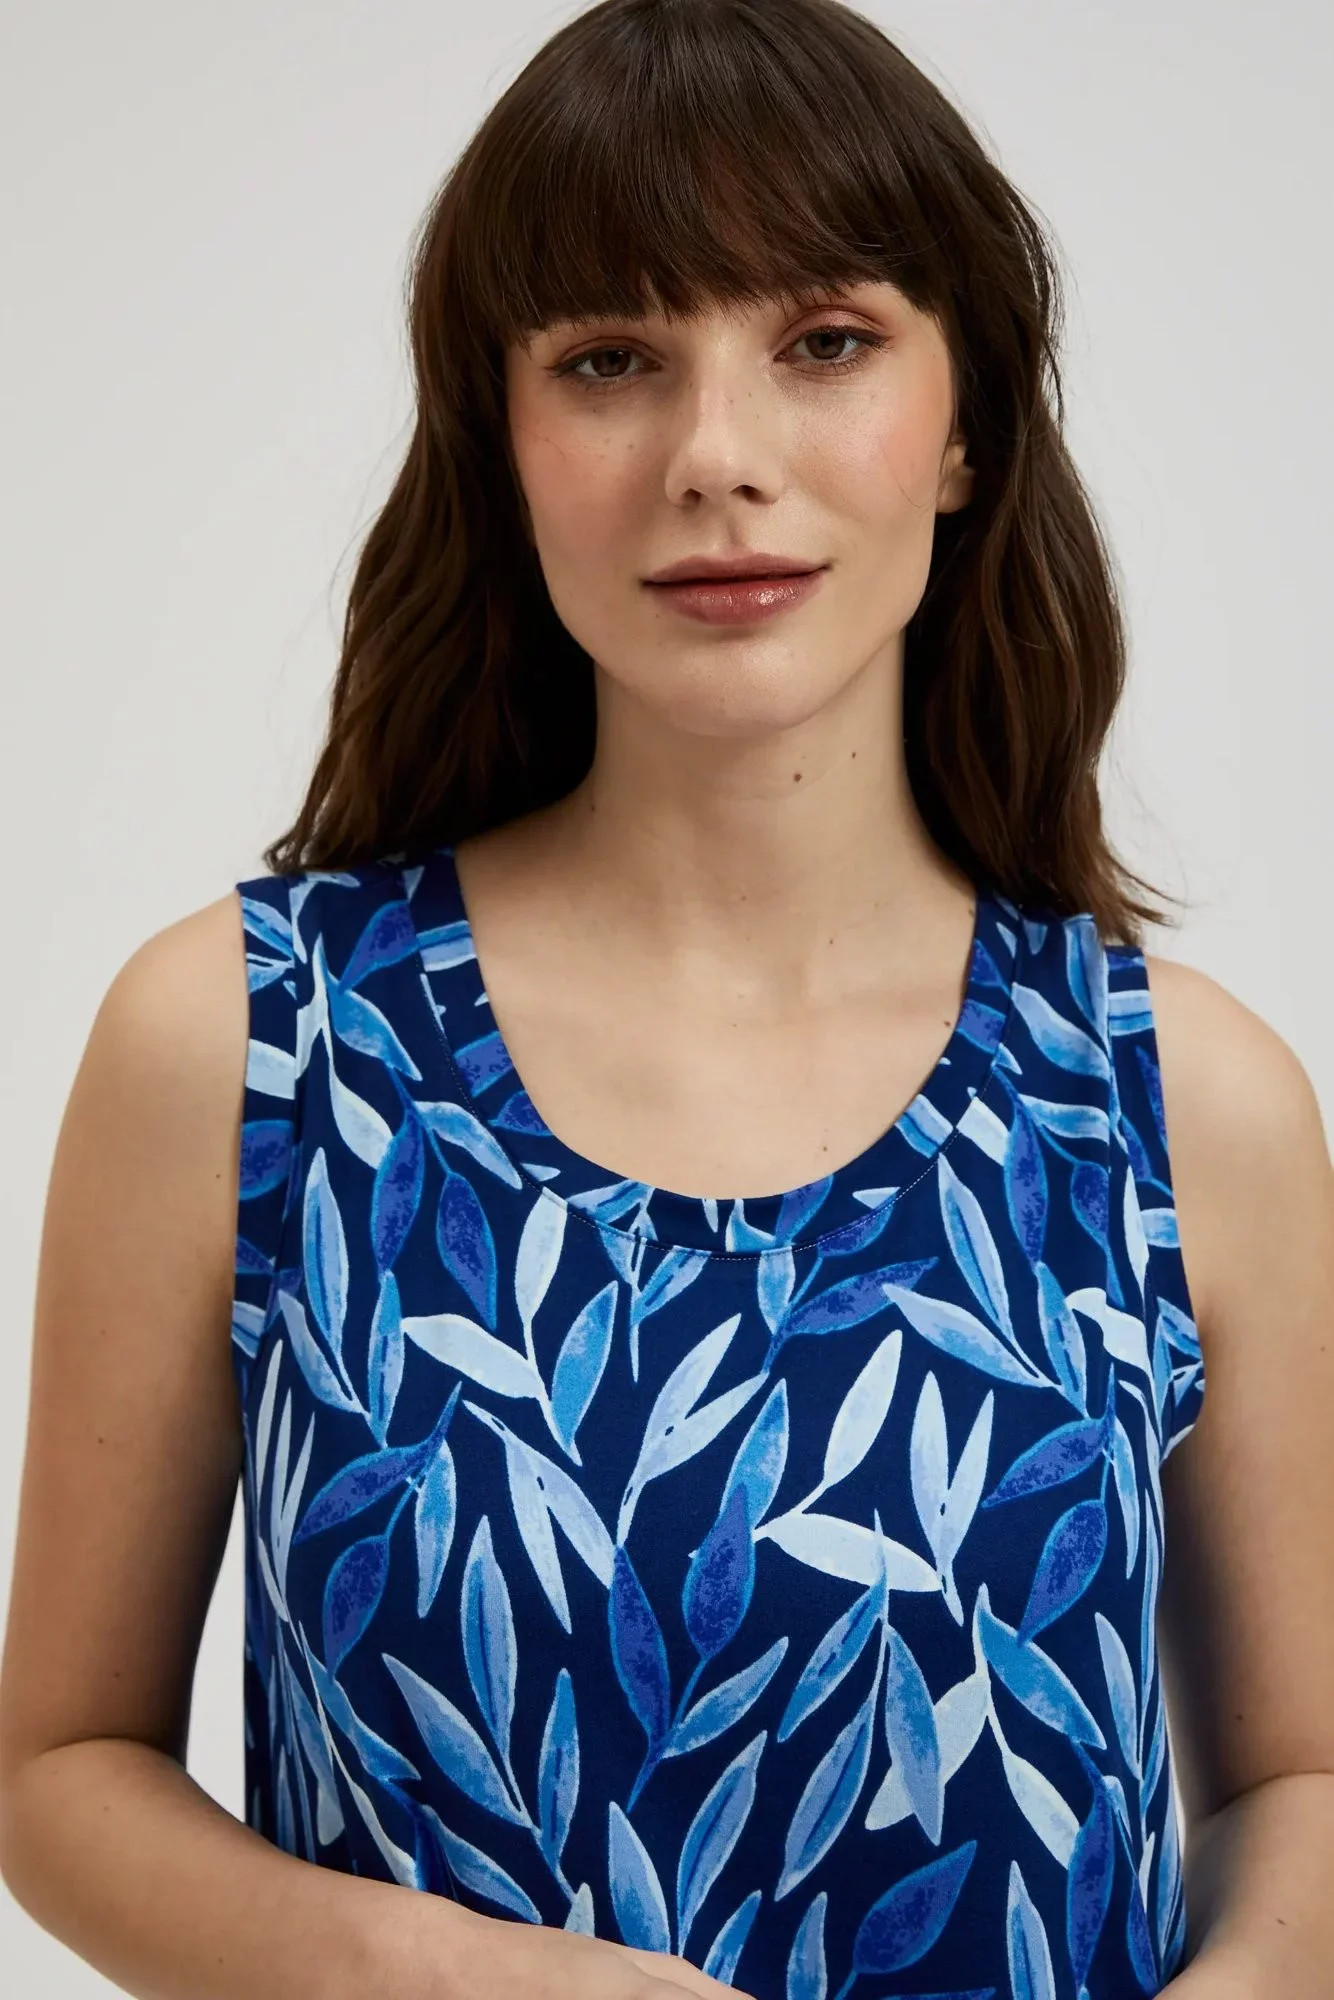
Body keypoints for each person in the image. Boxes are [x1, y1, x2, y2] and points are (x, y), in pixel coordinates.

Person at [2, 0, 1332, 1995]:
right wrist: (434, 1980)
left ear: (964, 425)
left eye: (825, 342)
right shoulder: (252, 1048)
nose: (717, 458)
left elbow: (1299, 1775)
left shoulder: (1175, 1101)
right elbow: (58, 1768)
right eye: (609, 360)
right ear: (502, 442)